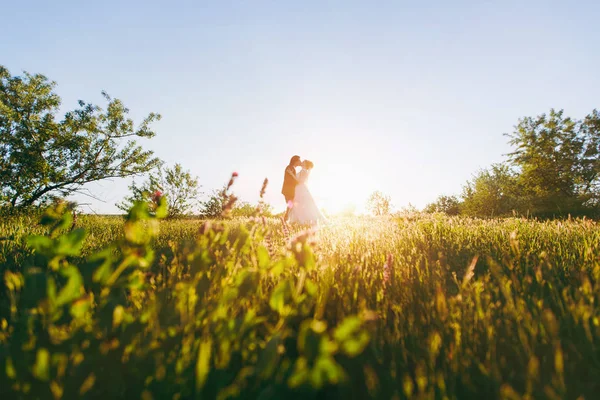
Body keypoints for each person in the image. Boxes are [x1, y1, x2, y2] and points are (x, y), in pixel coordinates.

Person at [288, 160, 325, 225]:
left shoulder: (304, 171)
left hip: (301, 189)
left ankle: (303, 221)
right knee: (301, 204)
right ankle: (302, 221)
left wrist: (291, 174)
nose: (302, 162)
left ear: (305, 164)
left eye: (303, 162)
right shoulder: (302, 171)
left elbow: (300, 181)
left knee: (302, 204)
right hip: (299, 188)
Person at [281, 155, 302, 221]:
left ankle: (287, 219)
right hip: (288, 190)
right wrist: (298, 182)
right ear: (295, 161)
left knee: (290, 205)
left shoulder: (292, 168)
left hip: (290, 190)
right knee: (290, 205)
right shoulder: (290, 167)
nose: (300, 162)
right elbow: (290, 180)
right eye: (299, 160)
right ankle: (285, 219)